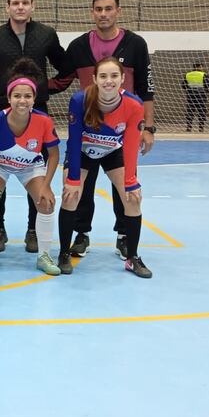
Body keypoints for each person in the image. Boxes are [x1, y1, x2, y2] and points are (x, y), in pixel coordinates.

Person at [49, 0, 155, 260]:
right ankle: (81, 234)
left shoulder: (135, 44)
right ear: (92, 12)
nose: (104, 14)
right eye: (99, 9)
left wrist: (148, 128)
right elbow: (61, 81)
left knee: (126, 189)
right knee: (79, 188)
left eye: (109, 8)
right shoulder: (79, 46)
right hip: (87, 130)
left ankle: (123, 236)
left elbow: (146, 87)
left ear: (118, 11)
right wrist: (26, 89)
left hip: (122, 130)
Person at [0, 0, 65, 254]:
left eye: (25, 2)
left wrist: (46, 88)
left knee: (33, 170)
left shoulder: (46, 35)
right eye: (15, 3)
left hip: (36, 111)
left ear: (32, 6)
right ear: (7, 7)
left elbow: (65, 66)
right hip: (1, 110)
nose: (20, 7)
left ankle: (32, 230)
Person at [56, 57, 152, 279]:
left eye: (114, 76)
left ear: (122, 79)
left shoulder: (134, 105)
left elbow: (129, 146)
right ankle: (63, 253)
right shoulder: (80, 100)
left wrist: (131, 182)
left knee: (133, 199)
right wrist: (72, 180)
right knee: (70, 196)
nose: (109, 81)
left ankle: (133, 258)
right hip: (83, 151)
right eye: (103, 76)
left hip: (112, 152)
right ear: (94, 79)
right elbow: (74, 140)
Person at [0, 59, 61, 275]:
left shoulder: (44, 121)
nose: (22, 100)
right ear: (9, 98)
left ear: (34, 98)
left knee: (46, 203)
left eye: (28, 96)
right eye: (17, 96)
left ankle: (44, 255)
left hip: (29, 166)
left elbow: (54, 154)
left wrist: (47, 185)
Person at [183, 62, 209, 132]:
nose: (202, 68)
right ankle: (201, 127)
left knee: (190, 111)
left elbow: (184, 85)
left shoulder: (187, 75)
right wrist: (207, 91)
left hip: (190, 95)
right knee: (202, 111)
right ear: (199, 67)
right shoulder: (204, 75)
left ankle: (189, 127)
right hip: (201, 95)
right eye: (202, 66)